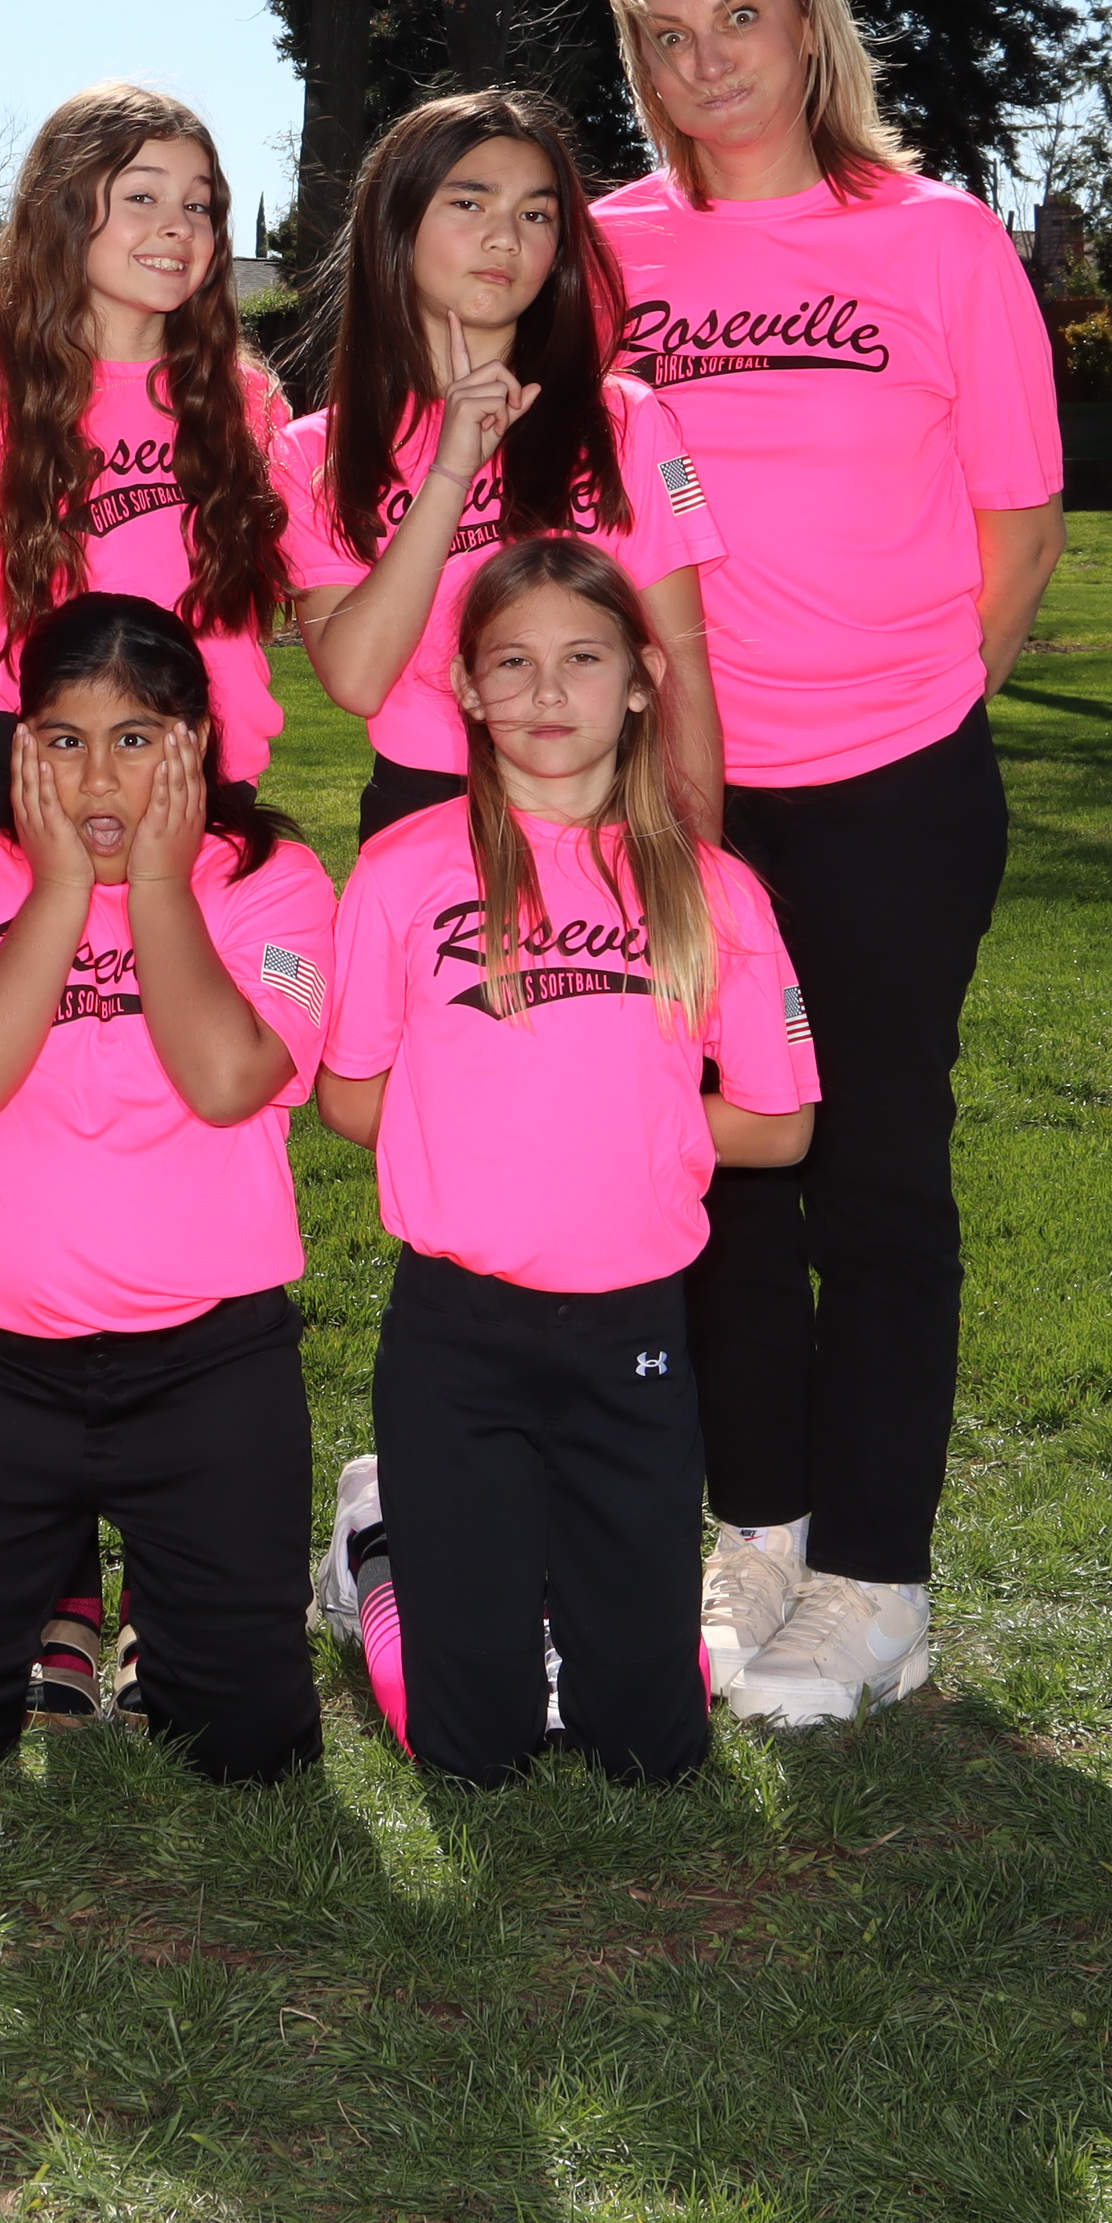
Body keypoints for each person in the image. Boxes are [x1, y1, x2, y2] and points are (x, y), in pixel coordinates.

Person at [591, 0, 1063, 1725]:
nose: (707, 59)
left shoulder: (936, 239)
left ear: (806, 24)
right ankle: (761, 1538)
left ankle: (877, 1581)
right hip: (680, 803)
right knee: (714, 1179)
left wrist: (917, 703)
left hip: (889, 791)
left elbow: (1019, 521)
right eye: (666, 33)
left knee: (872, 1178)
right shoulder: (610, 255)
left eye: (739, 16)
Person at [313, 542, 818, 1789]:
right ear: (466, 688)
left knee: (651, 1749)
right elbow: (349, 1095)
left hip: (632, 1333)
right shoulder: (402, 869)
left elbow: (781, 1123)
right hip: (456, 1330)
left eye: (583, 659)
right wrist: (489, 1124)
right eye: (514, 663)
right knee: (470, 1749)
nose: (548, 692)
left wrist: (635, 1124)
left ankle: (560, 1600)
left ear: (642, 679)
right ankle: (378, 1555)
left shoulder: (713, 889)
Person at [0, 592, 334, 1784]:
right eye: (65, 739)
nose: (101, 777)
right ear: (23, 746)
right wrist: (61, 889)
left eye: (137, 738)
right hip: (2, 1363)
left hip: (210, 1362)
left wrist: (157, 883)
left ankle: (277, 1575)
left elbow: (227, 1078)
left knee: (249, 1751)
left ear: (196, 743)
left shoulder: (270, 877)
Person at [284, 89, 728, 848]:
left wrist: (703, 872)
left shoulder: (625, 419)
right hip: (428, 816)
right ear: (397, 224)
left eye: (536, 215)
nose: (505, 239)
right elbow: (356, 680)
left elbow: (681, 670)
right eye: (470, 203)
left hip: (608, 810)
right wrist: (450, 473)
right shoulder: (312, 452)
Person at [0, 85, 297, 839]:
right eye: (142, 196)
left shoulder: (249, 405)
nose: (178, 226)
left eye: (200, 205)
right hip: (46, 788)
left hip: (208, 782)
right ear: (65, 214)